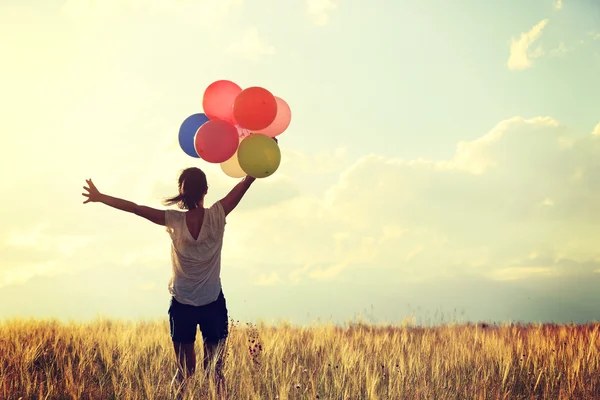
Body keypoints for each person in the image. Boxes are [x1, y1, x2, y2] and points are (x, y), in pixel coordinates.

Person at [82, 160, 263, 399]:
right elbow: (246, 181)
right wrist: (262, 155)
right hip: (212, 304)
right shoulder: (219, 213)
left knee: (183, 374)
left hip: (182, 305)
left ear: (182, 192)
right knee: (215, 372)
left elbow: (135, 208)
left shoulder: (174, 220)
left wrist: (101, 197)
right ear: (206, 191)